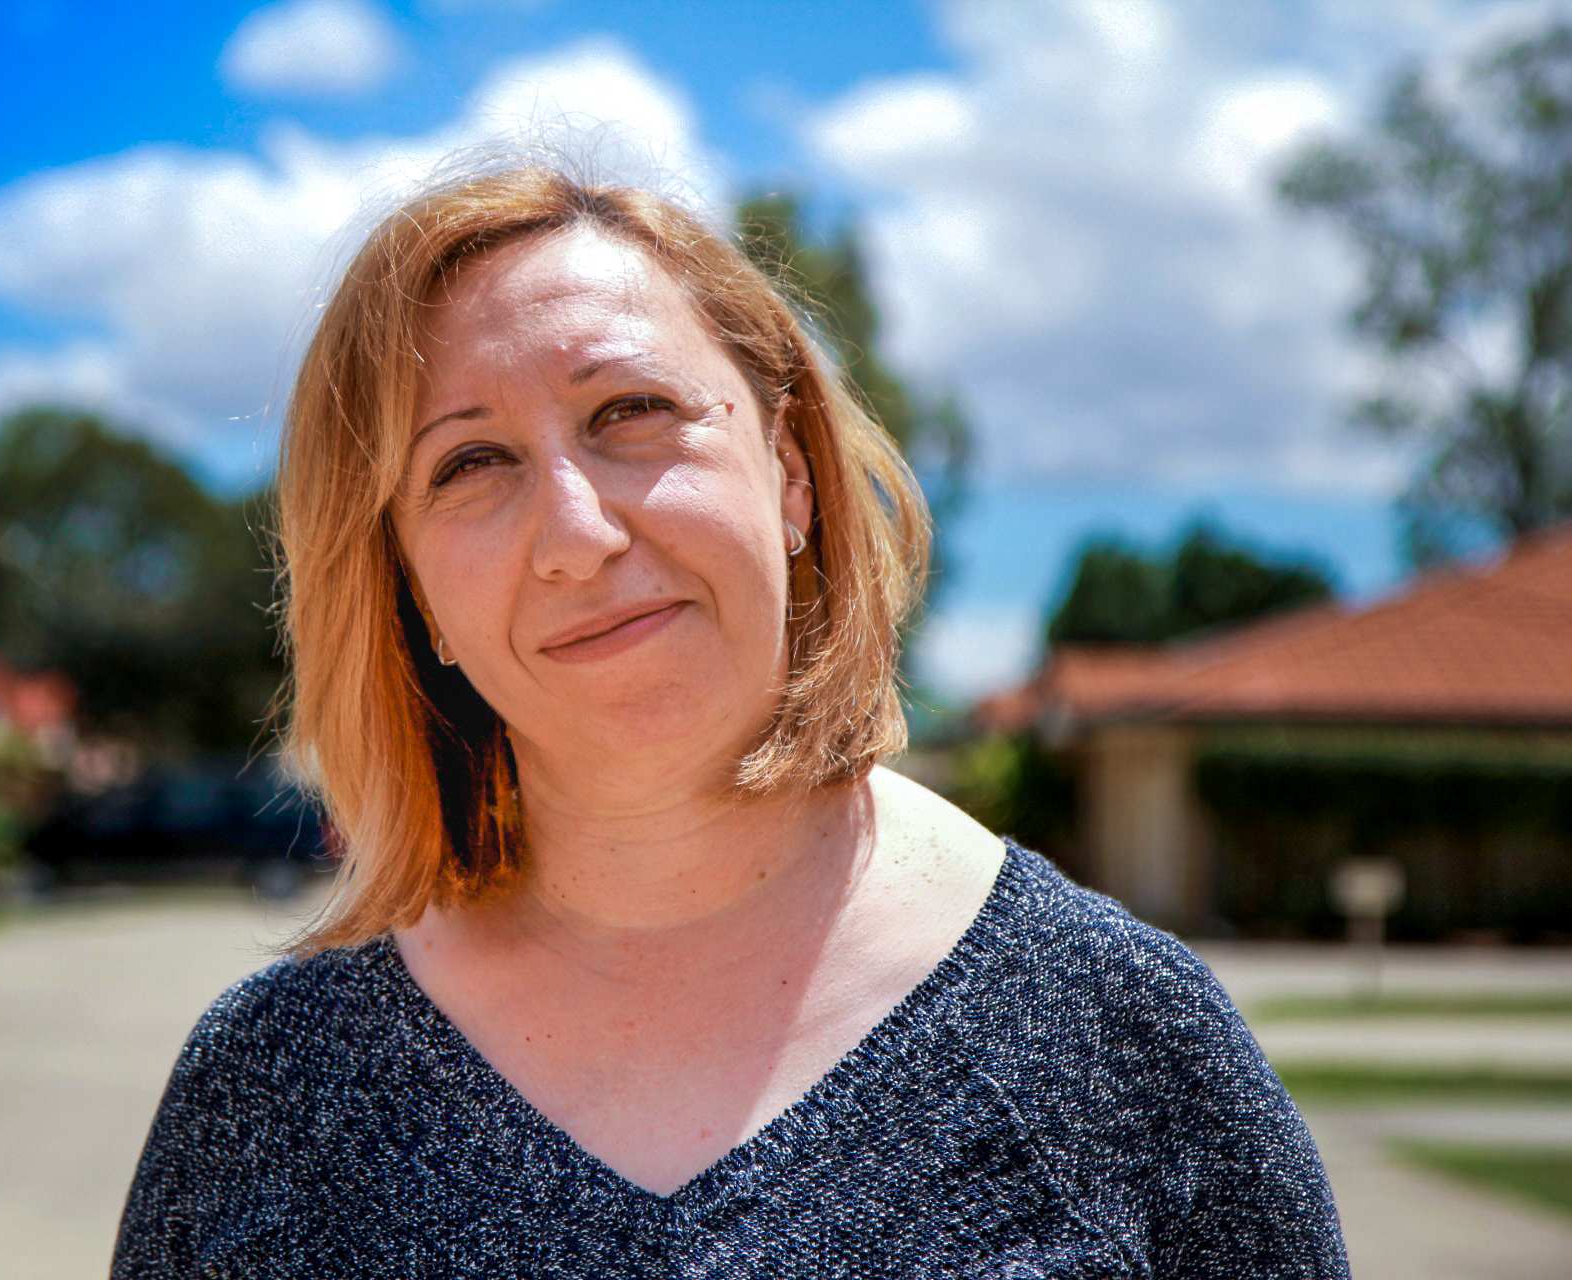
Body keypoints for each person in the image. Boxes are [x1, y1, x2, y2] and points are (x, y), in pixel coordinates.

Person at [109, 157, 1350, 1278]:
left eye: (631, 414)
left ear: (791, 472)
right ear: (411, 590)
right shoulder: (268, 1088)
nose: (580, 536)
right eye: (468, 464)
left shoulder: (1123, 1034)